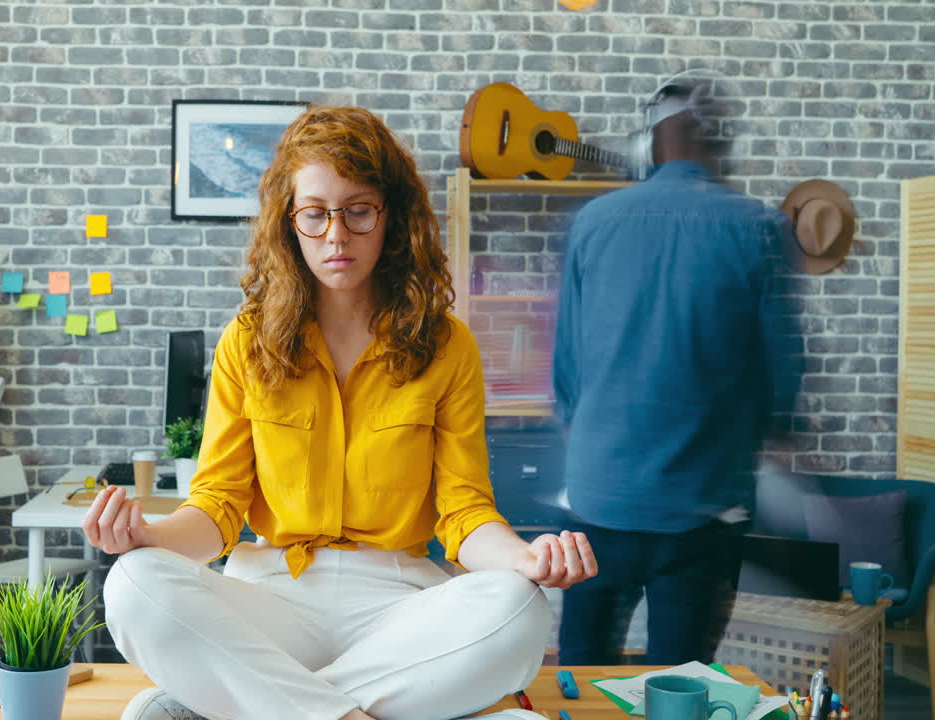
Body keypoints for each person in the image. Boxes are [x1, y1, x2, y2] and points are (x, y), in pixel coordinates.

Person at [83, 106, 598, 720]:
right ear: (288, 222)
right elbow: (217, 507)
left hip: (401, 605)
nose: (336, 235)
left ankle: (250, 702)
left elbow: (464, 512)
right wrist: (149, 537)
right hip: (272, 596)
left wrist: (523, 558)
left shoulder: (447, 344)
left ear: (391, 216)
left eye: (358, 210)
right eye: (315, 213)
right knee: (135, 585)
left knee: (519, 609)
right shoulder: (246, 342)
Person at [552, 71, 800, 666]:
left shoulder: (594, 222)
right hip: (704, 511)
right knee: (683, 681)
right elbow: (782, 380)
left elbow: (568, 375)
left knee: (582, 674)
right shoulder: (759, 228)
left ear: (652, 143)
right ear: (720, 145)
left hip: (598, 502)